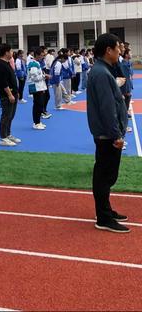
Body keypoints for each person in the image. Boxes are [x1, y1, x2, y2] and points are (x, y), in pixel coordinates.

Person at [87, 34, 129, 233]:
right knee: (105, 175)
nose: (119, 51)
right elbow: (107, 108)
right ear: (108, 51)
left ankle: (105, 211)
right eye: (117, 48)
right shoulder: (101, 73)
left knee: (106, 174)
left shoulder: (103, 71)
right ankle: (103, 217)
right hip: (107, 135)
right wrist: (116, 135)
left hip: (107, 133)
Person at [0, 44, 20, 146]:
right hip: (6, 96)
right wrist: (9, 95)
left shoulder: (7, 63)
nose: (12, 52)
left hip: (13, 93)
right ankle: (3, 137)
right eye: (10, 51)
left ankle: (8, 134)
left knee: (11, 116)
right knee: (6, 116)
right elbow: (3, 83)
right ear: (6, 52)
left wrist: (16, 92)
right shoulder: (0, 65)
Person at [27, 47, 49, 130]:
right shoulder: (33, 64)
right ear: (37, 55)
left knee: (39, 104)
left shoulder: (37, 63)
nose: (42, 57)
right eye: (41, 56)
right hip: (35, 87)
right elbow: (34, 77)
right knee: (37, 105)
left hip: (39, 86)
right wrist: (44, 76)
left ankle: (38, 121)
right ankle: (36, 123)